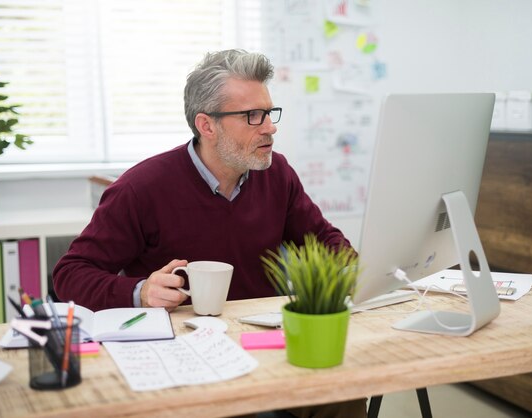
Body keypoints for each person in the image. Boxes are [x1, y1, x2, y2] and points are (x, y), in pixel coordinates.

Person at [53, 49, 367, 418]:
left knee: (346, 390)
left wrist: (352, 269)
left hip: (264, 343)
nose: (270, 127)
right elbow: (70, 273)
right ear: (207, 125)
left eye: (269, 113)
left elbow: (325, 242)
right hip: (185, 356)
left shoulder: (276, 173)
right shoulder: (142, 188)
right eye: (253, 116)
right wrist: (140, 291)